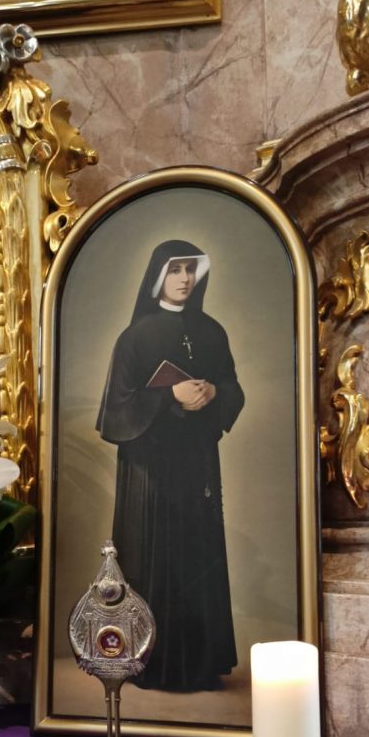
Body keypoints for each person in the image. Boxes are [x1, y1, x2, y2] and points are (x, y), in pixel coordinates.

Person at [96, 240, 245, 693]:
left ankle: (200, 664)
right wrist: (168, 396)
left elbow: (233, 387)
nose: (184, 278)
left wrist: (214, 393)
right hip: (150, 470)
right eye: (175, 269)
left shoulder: (213, 332)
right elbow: (117, 410)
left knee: (198, 555)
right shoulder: (135, 337)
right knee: (153, 555)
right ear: (158, 274)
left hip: (196, 464)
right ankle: (152, 663)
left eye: (190, 270)